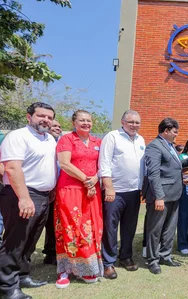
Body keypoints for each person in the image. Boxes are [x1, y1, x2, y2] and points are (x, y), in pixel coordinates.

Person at [0, 102, 57, 299]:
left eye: (49, 117)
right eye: (41, 116)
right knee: (15, 242)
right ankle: (7, 287)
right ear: (29, 117)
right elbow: (12, 168)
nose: (46, 120)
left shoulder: (49, 139)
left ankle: (22, 276)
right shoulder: (18, 136)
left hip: (43, 196)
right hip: (21, 194)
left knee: (30, 240)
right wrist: (24, 198)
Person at [54, 110, 103, 289]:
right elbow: (65, 164)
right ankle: (65, 270)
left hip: (92, 190)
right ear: (74, 122)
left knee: (90, 227)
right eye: (81, 120)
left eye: (88, 120)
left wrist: (95, 180)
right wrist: (86, 180)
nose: (86, 123)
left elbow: (104, 164)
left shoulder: (98, 141)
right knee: (70, 227)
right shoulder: (66, 140)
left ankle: (88, 267)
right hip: (71, 189)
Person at [144, 118, 188, 275]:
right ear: (166, 131)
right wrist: (159, 196)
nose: (177, 134)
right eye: (175, 131)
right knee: (156, 229)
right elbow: (153, 173)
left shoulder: (171, 146)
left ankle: (165, 255)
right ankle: (152, 260)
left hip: (175, 194)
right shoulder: (154, 146)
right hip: (161, 195)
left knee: (169, 228)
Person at [98, 110, 145, 279]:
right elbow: (104, 162)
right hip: (115, 191)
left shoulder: (141, 139)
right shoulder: (112, 136)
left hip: (133, 191)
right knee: (111, 227)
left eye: (137, 122)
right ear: (122, 122)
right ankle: (108, 262)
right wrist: (108, 187)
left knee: (129, 227)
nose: (134, 125)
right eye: (131, 122)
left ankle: (125, 256)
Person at [42, 119, 62, 266]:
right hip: (41, 189)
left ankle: (50, 253)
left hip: (58, 190)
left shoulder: (61, 143)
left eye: (60, 127)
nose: (58, 128)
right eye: (54, 126)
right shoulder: (42, 143)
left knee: (52, 224)